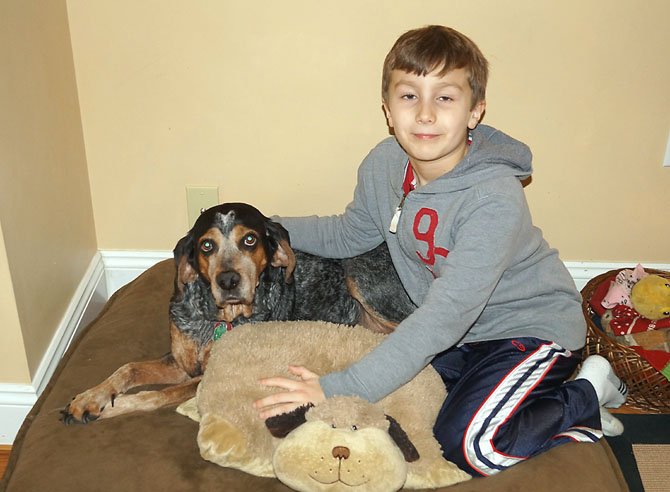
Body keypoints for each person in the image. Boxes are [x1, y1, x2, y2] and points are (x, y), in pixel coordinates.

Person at [253, 25, 628, 477]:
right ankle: (538, 403)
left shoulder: (493, 196)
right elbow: (351, 233)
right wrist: (266, 227)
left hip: (529, 329)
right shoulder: (384, 164)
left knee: (470, 446)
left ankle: (586, 394)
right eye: (410, 96)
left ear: (475, 111)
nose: (426, 115)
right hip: (463, 336)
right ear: (388, 111)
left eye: (445, 98)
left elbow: (446, 313)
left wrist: (338, 388)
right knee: (408, 413)